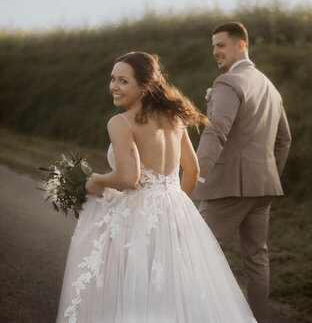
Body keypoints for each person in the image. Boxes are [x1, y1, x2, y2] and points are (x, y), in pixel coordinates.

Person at [56, 51, 256, 323]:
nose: (114, 86)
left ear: (144, 86)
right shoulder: (175, 117)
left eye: (123, 81)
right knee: (175, 289)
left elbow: (129, 178)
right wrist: (178, 206)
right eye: (112, 79)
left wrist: (97, 180)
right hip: (175, 209)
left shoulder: (121, 122)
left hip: (137, 216)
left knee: (133, 290)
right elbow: (193, 170)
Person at [195, 22, 292, 323]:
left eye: (221, 45)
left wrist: (195, 175)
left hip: (227, 188)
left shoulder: (228, 83)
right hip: (263, 187)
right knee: (256, 258)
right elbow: (284, 140)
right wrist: (267, 174)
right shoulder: (269, 87)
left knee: (197, 255)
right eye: (213, 46)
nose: (215, 52)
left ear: (241, 45)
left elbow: (216, 133)